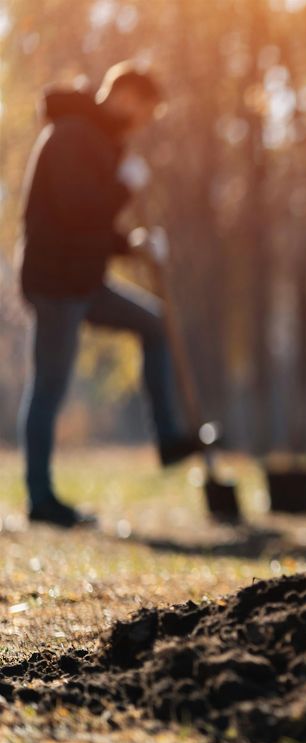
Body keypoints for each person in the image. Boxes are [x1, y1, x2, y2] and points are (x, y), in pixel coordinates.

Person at [18, 61, 203, 529]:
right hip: (57, 282)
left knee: (153, 322)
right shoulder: (72, 135)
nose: (144, 121)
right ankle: (41, 499)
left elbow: (90, 224)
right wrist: (124, 187)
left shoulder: (99, 140)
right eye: (145, 110)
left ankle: (168, 437)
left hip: (84, 279)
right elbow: (80, 210)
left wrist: (132, 244)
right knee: (49, 387)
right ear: (123, 95)